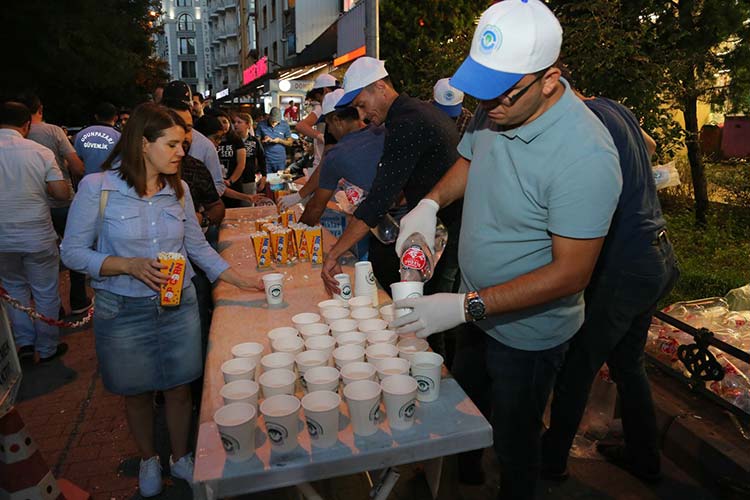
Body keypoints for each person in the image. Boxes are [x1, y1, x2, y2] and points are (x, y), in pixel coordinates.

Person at [389, 2, 622, 498]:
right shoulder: (500, 102)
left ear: (550, 79)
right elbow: (471, 159)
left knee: (515, 444)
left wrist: (463, 306)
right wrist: (428, 205)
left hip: (528, 333)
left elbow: (571, 274)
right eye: (480, 91)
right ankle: (462, 475)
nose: (488, 106)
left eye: (501, 95)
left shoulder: (586, 155)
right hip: (472, 311)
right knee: (462, 409)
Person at [60, 103, 261, 497]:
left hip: (177, 304)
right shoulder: (97, 188)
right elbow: (71, 252)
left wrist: (241, 279)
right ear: (143, 144)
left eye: (182, 144)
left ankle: (181, 456)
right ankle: (150, 458)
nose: (181, 152)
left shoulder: (179, 189)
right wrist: (126, 265)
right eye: (172, 144)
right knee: (135, 390)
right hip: (121, 309)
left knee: (179, 387)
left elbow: (197, 247)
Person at [540, 89, 680, 483]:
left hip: (625, 265)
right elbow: (649, 145)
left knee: (578, 363)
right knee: (627, 363)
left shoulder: (583, 123)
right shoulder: (612, 108)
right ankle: (644, 455)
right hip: (657, 254)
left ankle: (551, 461)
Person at [321, 57, 464, 359]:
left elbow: (379, 199)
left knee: (430, 314)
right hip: (447, 224)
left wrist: (334, 253)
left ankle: (436, 371)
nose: (362, 116)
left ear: (380, 87)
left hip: (448, 231)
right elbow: (408, 178)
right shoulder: (415, 113)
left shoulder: (406, 122)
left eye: (362, 105)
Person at [0, 101, 71, 363]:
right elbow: (61, 193)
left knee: (14, 290)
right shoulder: (40, 152)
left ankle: (26, 343)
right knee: (45, 290)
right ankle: (48, 347)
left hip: (2, 239)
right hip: (37, 234)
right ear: (26, 124)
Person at [20, 93, 90, 315]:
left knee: (42, 262)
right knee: (76, 248)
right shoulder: (53, 131)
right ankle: (79, 299)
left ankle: (52, 308)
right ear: (40, 108)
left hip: (30, 206)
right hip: (62, 203)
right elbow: (77, 166)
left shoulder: (17, 136)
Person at [161, 81, 226, 198]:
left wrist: (200, 206)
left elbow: (218, 185)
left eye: (187, 128)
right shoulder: (153, 142)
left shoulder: (205, 147)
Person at [296, 74, 338, 172]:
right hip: (323, 163)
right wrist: (320, 136)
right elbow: (300, 126)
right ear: (326, 91)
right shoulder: (321, 108)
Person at [74, 102, 121, 176]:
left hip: (86, 181)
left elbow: (75, 160)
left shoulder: (81, 134)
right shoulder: (120, 136)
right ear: (115, 118)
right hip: (111, 182)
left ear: (96, 116)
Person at [212, 109, 247, 208]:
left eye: (225, 122)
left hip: (233, 184)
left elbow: (241, 163)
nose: (223, 125)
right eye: (219, 122)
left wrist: (230, 181)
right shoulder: (211, 141)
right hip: (216, 186)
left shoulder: (236, 140)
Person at [232, 112, 266, 196]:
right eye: (234, 122)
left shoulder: (254, 141)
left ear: (248, 125)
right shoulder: (231, 141)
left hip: (249, 180)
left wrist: (264, 177)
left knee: (249, 206)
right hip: (233, 181)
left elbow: (262, 159)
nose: (235, 125)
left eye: (239, 122)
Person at [255, 107, 292, 173]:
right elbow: (256, 143)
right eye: (272, 120)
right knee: (267, 181)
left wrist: (280, 140)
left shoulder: (285, 125)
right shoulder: (261, 124)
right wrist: (263, 141)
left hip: (280, 160)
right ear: (269, 116)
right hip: (266, 160)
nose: (274, 123)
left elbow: (290, 143)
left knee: (279, 181)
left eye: (276, 121)